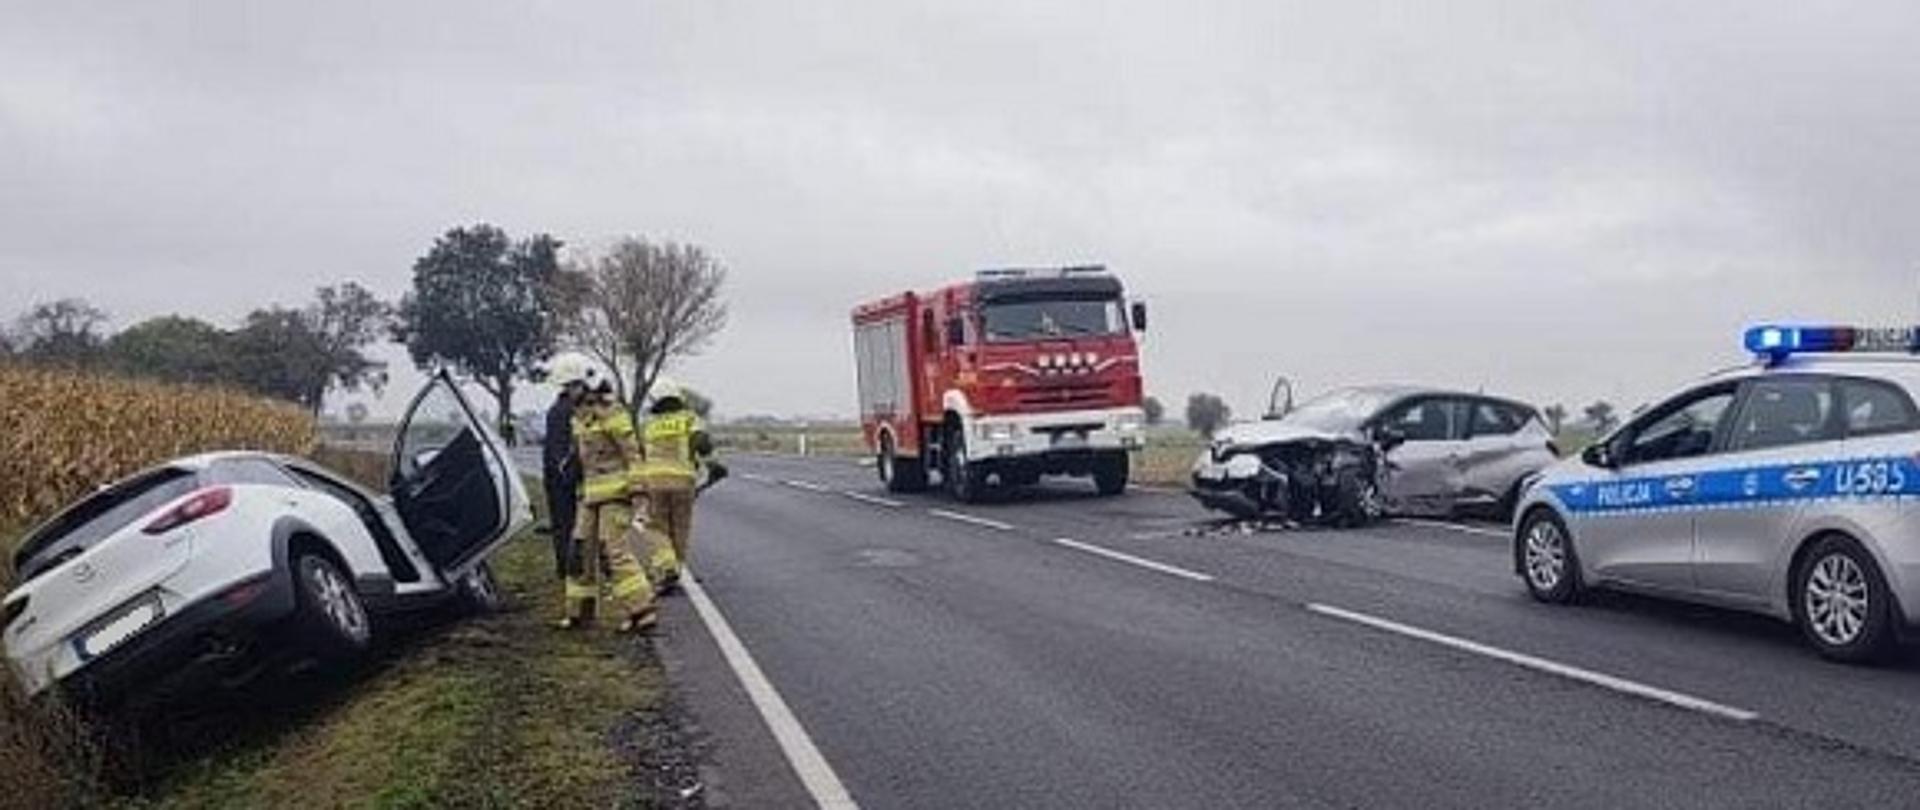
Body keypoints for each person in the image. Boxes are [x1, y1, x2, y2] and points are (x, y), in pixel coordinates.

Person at [560, 371, 672, 633]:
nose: (567, 392)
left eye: (571, 386)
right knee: (579, 551)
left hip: (617, 494)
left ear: (585, 385)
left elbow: (633, 454)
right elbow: (582, 457)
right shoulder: (578, 418)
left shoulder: (612, 412)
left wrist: (638, 492)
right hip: (589, 496)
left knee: (614, 552)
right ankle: (579, 613)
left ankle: (642, 610)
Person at [638, 377, 719, 589]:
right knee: (680, 528)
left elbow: (640, 453)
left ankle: (667, 568)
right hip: (684, 482)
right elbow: (702, 443)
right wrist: (712, 465)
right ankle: (675, 570)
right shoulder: (689, 419)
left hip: (655, 482)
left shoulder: (649, 423)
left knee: (655, 527)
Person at [541, 353, 593, 579]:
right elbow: (560, 452)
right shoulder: (561, 412)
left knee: (575, 523)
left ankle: (575, 564)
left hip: (571, 474)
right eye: (579, 385)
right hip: (561, 477)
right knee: (566, 524)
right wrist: (573, 474)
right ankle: (568, 567)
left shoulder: (571, 408)